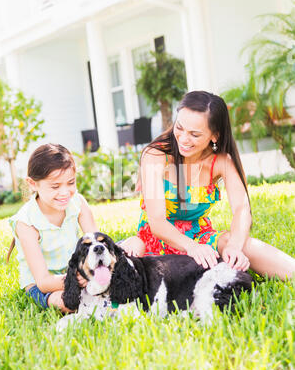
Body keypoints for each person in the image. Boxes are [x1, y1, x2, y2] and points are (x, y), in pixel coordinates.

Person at [121, 91, 295, 280]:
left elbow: (241, 208)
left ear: (214, 136)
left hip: (200, 236)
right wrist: (193, 248)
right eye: (179, 128)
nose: (184, 139)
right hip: (156, 240)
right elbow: (157, 223)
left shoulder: (221, 162)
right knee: (131, 253)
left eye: (195, 134)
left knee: (238, 242)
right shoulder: (156, 155)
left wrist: (234, 247)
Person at [8, 143, 98, 312]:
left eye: (70, 183)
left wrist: (93, 269)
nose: (65, 193)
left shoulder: (77, 203)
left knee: (135, 244)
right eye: (55, 186)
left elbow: (96, 243)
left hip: (76, 271)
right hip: (43, 285)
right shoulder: (26, 222)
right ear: (33, 184)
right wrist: (81, 278)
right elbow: (43, 281)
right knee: (66, 302)